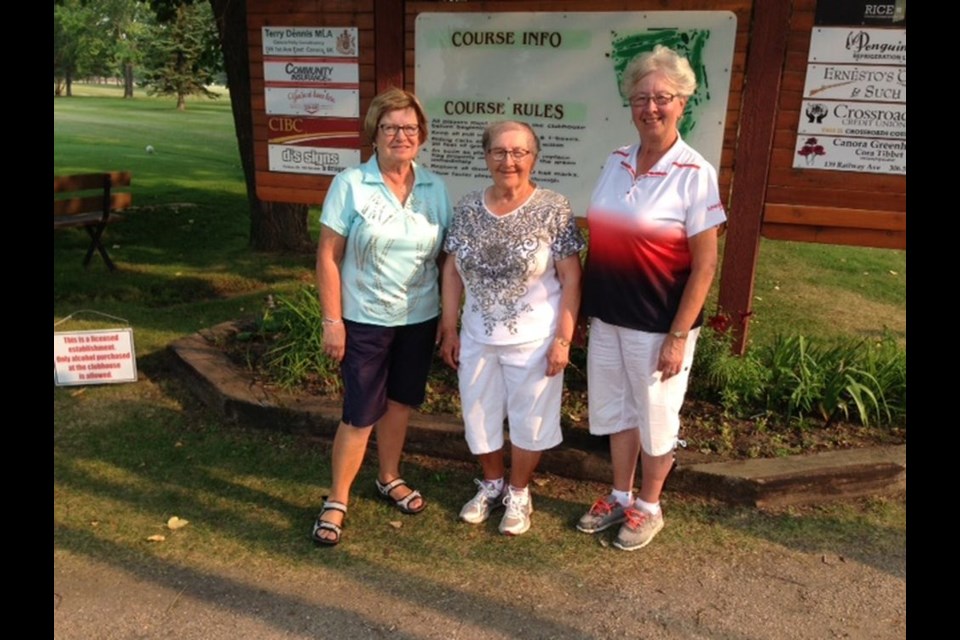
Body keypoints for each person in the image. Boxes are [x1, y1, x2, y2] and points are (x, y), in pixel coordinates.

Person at [577, 45, 727, 551]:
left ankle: (649, 506)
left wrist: (679, 335)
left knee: (657, 416)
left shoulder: (695, 172)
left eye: (662, 97)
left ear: (683, 102)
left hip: (660, 323)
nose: (651, 107)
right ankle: (620, 495)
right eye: (640, 97)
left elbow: (705, 264)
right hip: (610, 317)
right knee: (617, 413)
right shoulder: (616, 160)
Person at [311, 88, 452, 546]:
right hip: (365, 319)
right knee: (360, 412)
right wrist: (333, 321)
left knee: (400, 403)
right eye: (391, 127)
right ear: (375, 133)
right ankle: (337, 498)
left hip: (420, 317)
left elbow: (447, 258)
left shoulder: (435, 187)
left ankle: (388, 476)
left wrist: (448, 321)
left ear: (421, 135)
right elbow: (328, 257)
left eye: (409, 128)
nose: (401, 136)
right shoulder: (350, 183)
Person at [440, 120, 584, 536]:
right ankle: (491, 483)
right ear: (486, 157)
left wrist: (563, 339)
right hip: (477, 336)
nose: (509, 161)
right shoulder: (467, 208)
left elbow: (573, 279)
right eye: (500, 152)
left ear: (533, 157)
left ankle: (519, 493)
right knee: (478, 414)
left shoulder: (553, 208)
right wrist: (449, 329)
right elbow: (451, 272)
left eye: (519, 152)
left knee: (530, 420)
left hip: (535, 339)